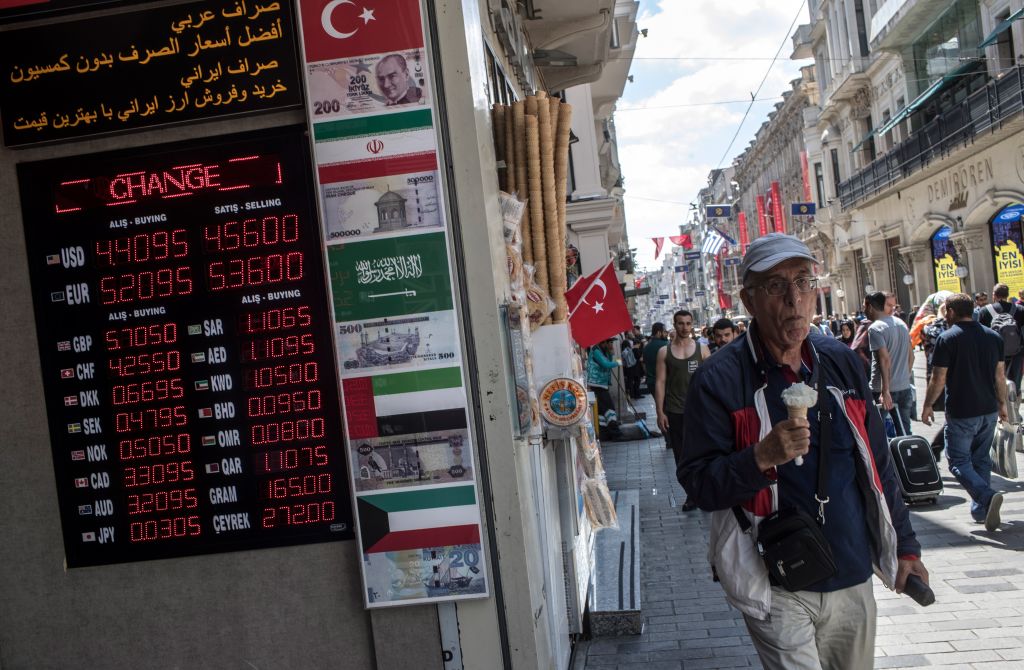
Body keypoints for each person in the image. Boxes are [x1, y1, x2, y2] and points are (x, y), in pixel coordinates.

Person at [679, 233, 926, 670]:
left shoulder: (840, 362)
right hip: (773, 576)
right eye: (776, 286)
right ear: (749, 299)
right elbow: (699, 483)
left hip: (850, 567)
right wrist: (759, 457)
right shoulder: (718, 380)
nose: (794, 299)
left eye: (803, 281)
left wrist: (905, 546)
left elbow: (877, 461)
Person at [922, 293, 1007, 530]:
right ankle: (981, 510)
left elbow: (938, 378)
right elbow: (1000, 376)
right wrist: (1002, 405)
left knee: (958, 461)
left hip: (962, 410)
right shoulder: (993, 337)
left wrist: (928, 405)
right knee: (980, 459)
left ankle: (986, 496)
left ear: (950, 311)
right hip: (988, 408)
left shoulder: (947, 338)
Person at [655, 309, 710, 511]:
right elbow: (660, 382)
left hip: (700, 412)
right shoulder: (664, 352)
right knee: (681, 456)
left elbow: (711, 382)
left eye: (688, 323)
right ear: (674, 325)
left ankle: (703, 490)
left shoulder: (703, 351)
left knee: (703, 452)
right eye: (680, 323)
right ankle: (691, 494)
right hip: (675, 411)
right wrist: (659, 412)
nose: (684, 327)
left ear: (692, 324)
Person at [864, 291, 914, 436]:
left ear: (871, 307)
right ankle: (905, 458)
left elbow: (884, 360)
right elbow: (911, 356)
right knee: (904, 432)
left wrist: (885, 391)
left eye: (864, 307)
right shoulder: (901, 324)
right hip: (904, 387)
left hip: (882, 390)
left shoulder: (875, 328)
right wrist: (904, 375)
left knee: (876, 433)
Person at [978, 283, 1024, 390]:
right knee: (1015, 384)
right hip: (1017, 352)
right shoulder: (1020, 309)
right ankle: (1014, 403)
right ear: (1007, 295)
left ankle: (1001, 404)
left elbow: (981, 335)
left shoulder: (984, 311)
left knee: (996, 384)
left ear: (994, 295)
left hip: (994, 353)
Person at [587, 339, 621, 438]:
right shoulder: (596, 351)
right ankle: (614, 431)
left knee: (603, 409)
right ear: (604, 342)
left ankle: (604, 432)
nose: (611, 344)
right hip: (597, 383)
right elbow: (606, 364)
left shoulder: (602, 351)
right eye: (610, 343)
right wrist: (618, 362)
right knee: (609, 407)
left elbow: (608, 362)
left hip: (601, 383)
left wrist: (611, 353)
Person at [642, 322, 669, 396]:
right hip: (665, 383)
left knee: (659, 405)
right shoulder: (667, 345)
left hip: (651, 383)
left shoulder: (646, 347)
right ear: (659, 332)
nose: (666, 334)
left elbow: (644, 365)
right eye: (664, 331)